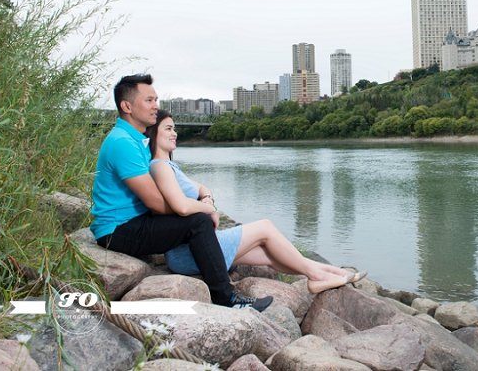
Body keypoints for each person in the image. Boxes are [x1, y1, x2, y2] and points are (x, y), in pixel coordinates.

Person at [90, 74, 272, 311]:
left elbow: (170, 189)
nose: (156, 106)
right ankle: (226, 298)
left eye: (156, 99)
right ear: (127, 106)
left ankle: (216, 270)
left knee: (194, 218)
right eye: (149, 100)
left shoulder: (136, 141)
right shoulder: (122, 143)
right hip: (117, 230)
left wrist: (197, 200)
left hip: (132, 222)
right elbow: (156, 202)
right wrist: (198, 208)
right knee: (196, 222)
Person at [145, 109, 367, 294]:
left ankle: (329, 272)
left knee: (268, 254)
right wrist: (209, 210)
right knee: (265, 228)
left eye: (174, 128)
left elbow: (202, 188)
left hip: (202, 243)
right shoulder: (158, 166)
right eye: (168, 128)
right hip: (189, 252)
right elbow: (180, 206)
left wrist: (207, 199)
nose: (174, 133)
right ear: (154, 133)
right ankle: (318, 276)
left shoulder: (170, 166)